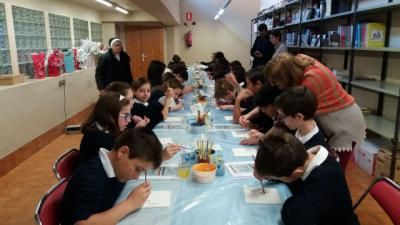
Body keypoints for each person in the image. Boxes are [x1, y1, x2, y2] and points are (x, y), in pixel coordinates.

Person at [265, 53, 366, 169]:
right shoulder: (299, 61)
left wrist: (266, 138)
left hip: (344, 124)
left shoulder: (310, 81)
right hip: (335, 120)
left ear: (286, 77)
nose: (272, 84)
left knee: (333, 168)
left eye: (275, 81)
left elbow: (289, 115)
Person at [253, 130, 360, 225]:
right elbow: (288, 173)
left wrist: (289, 203)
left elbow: (295, 217)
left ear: (296, 173)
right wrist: (265, 172)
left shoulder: (323, 180)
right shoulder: (303, 155)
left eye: (278, 177)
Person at [61, 128, 163, 225]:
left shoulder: (116, 168)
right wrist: (130, 204)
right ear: (122, 152)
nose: (136, 177)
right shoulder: (90, 177)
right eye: (138, 169)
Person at [79, 92, 132, 163]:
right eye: (125, 115)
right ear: (110, 116)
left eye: (129, 115)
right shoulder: (99, 140)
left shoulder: (105, 129)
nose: (129, 120)